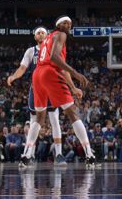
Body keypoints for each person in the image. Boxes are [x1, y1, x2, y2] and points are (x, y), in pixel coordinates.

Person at [21, 16, 96, 166]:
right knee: (72, 113)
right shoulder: (60, 35)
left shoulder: (46, 39)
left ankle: (27, 153)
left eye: (69, 23)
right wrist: (75, 73)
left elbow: (57, 65)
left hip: (37, 75)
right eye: (65, 23)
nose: (68, 25)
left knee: (39, 118)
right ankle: (89, 153)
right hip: (49, 72)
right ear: (58, 25)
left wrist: (73, 87)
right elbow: (56, 60)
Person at [8, 27, 67, 163]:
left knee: (54, 121)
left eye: (43, 33)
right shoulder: (30, 51)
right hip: (36, 89)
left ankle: (59, 154)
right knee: (34, 122)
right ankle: (29, 154)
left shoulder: (53, 49)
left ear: (47, 36)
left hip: (51, 88)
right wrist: (14, 76)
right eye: (38, 33)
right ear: (35, 37)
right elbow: (22, 68)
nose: (41, 34)